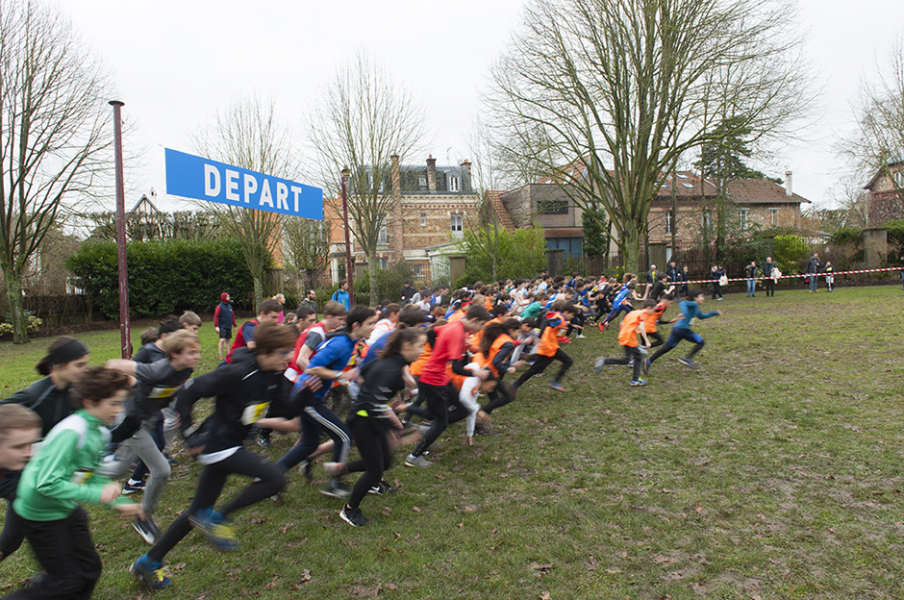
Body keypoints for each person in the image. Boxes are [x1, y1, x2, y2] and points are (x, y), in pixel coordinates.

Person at [130, 323, 317, 591]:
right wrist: (189, 434)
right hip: (215, 445)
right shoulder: (237, 372)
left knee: (195, 512)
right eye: (283, 352)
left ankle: (148, 561)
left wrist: (306, 394)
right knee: (275, 479)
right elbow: (189, 392)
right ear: (264, 351)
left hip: (232, 445)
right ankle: (218, 518)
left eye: (289, 351)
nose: (288, 357)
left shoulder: (274, 376)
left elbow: (284, 411)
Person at [6, 367, 141, 600]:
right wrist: (97, 495)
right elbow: (46, 484)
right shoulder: (72, 432)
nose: (119, 411)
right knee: (65, 581)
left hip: (64, 507)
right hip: (38, 514)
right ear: (89, 402)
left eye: (121, 403)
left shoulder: (98, 432)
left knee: (90, 570)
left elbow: (89, 473)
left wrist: (118, 501)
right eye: (113, 403)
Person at [102, 330, 201, 545]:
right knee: (161, 469)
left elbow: (170, 391)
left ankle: (79, 468)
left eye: (197, 352)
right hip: (131, 421)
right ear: (175, 354)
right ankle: (143, 517)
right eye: (191, 352)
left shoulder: (186, 369)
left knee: (119, 469)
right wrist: (124, 389)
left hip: (146, 420)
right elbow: (112, 364)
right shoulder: (156, 370)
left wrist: (174, 410)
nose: (197, 356)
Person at [274, 306, 376, 497]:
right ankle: (334, 484)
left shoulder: (350, 342)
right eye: (370, 323)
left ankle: (270, 476)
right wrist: (340, 374)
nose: (373, 327)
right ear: (356, 325)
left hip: (312, 396)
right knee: (344, 437)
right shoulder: (341, 343)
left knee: (309, 444)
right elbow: (311, 368)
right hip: (308, 398)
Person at [328, 327, 426, 527]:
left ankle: (342, 468)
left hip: (370, 414)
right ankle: (349, 510)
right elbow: (371, 405)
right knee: (375, 471)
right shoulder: (391, 371)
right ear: (406, 346)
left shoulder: (388, 361)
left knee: (385, 462)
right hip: (363, 418)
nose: (423, 351)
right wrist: (396, 432)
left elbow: (362, 370)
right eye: (420, 346)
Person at [404, 305, 491, 468]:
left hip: (441, 376)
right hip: (433, 379)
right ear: (475, 320)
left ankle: (427, 429)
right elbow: (457, 367)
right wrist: (477, 374)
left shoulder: (455, 324)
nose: (478, 331)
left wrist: (438, 352)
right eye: (480, 326)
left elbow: (431, 333)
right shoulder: (458, 333)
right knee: (441, 422)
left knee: (463, 410)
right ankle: (414, 456)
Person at [0, 405, 42, 565]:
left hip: (15, 481)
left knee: (9, 543)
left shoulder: (18, 457)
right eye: (19, 447)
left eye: (30, 444)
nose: (28, 452)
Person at [645, 288, 721, 370]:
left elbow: (701, 317)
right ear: (695, 297)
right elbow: (683, 303)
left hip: (677, 329)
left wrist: (714, 313)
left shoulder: (696, 307)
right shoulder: (693, 304)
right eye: (701, 296)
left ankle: (648, 361)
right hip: (682, 329)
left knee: (666, 348)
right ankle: (687, 359)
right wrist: (685, 313)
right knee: (701, 342)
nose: (703, 298)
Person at [511, 303, 577, 395]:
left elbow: (557, 325)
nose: (572, 317)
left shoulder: (559, 317)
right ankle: (556, 382)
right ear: (566, 312)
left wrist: (571, 326)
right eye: (572, 315)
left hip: (548, 346)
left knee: (536, 368)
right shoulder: (559, 319)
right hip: (549, 347)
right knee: (568, 361)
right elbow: (546, 322)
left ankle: (516, 382)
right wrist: (540, 337)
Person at [595, 299, 656, 387]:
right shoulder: (643, 314)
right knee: (638, 357)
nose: (653, 312)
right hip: (629, 338)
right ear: (649, 308)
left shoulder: (633, 313)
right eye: (653, 310)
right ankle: (635, 380)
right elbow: (642, 327)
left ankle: (604, 361)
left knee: (627, 359)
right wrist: (647, 341)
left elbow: (621, 323)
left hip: (624, 336)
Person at [214, 292, 236, 359]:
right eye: (227, 297)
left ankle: (228, 354)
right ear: (224, 298)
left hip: (228, 326)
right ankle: (220, 354)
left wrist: (234, 325)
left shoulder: (230, 306)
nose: (229, 298)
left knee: (227, 341)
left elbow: (232, 316)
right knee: (222, 340)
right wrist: (216, 326)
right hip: (222, 326)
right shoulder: (219, 307)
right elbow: (216, 317)